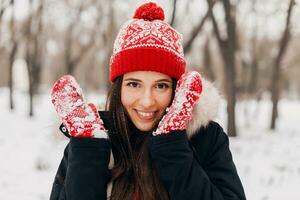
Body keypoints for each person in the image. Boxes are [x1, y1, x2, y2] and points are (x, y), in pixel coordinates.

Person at [49, 2, 246, 200]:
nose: (147, 101)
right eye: (134, 84)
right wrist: (88, 152)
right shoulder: (87, 141)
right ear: (118, 88)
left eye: (161, 86)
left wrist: (173, 145)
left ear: (177, 89)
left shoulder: (204, 138)